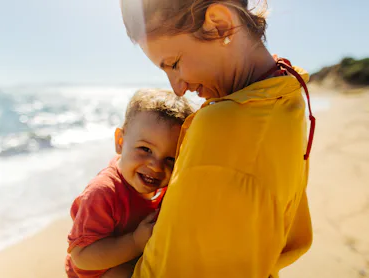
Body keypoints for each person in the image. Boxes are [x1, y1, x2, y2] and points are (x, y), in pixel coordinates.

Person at [119, 0, 316, 277]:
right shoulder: (285, 94)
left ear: (219, 25)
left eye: (174, 63)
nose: (177, 88)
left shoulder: (222, 127)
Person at [65, 89, 194, 278]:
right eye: (145, 149)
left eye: (170, 159)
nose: (156, 166)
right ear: (120, 141)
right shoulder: (102, 192)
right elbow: (81, 257)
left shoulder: (165, 187)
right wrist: (135, 242)